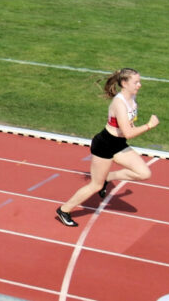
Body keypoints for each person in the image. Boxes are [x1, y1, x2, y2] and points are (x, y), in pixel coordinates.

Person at [56, 68, 159, 227]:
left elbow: (129, 124)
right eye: (136, 82)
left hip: (118, 144)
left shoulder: (132, 96)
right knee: (95, 185)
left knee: (144, 173)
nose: (139, 85)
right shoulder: (119, 103)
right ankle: (64, 210)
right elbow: (128, 133)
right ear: (124, 84)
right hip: (104, 145)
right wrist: (149, 125)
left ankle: (107, 178)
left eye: (139, 81)